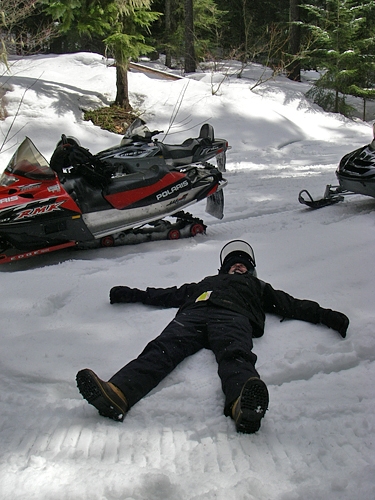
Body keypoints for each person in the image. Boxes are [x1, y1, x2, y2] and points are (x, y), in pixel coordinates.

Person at [76, 240, 349, 434]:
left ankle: (243, 404)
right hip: (193, 315)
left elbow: (292, 304)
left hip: (232, 317)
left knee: (235, 355)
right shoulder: (205, 283)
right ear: (225, 269)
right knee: (162, 349)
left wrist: (326, 316)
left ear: (250, 271)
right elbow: (169, 294)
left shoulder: (258, 286)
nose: (239, 267)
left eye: (244, 265)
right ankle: (119, 392)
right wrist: (133, 294)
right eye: (234, 264)